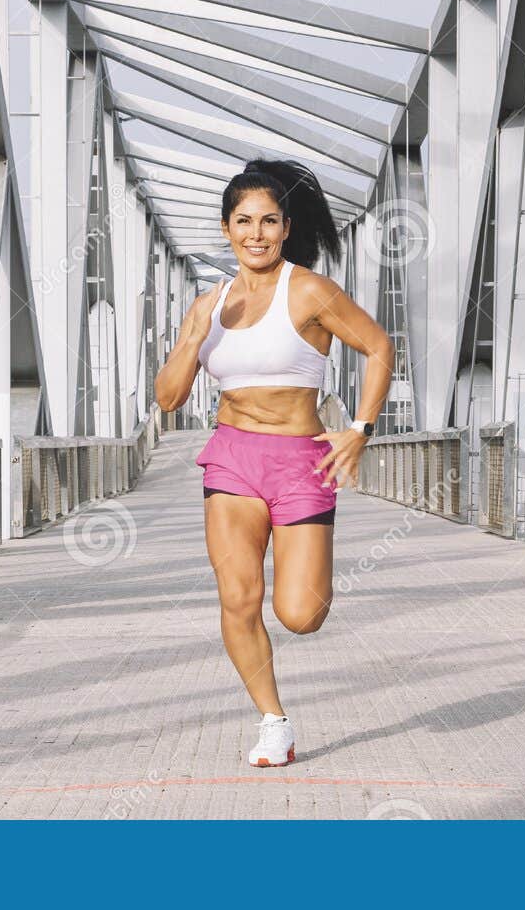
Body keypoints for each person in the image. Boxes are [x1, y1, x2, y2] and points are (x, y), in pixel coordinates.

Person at [152, 158, 394, 768]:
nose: (255, 234)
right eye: (243, 222)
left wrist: (360, 429)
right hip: (232, 457)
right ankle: (273, 722)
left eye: (267, 221)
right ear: (227, 228)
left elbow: (378, 346)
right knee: (237, 597)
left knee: (300, 613)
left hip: (301, 461)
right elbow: (168, 398)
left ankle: (303, 603)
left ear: (286, 228)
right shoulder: (209, 305)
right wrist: (191, 337)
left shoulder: (309, 291)